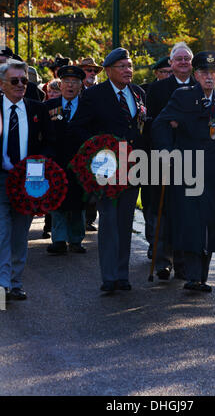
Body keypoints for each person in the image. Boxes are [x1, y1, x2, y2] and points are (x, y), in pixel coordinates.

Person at [151, 50, 215, 292]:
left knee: (210, 224)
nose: (208, 77)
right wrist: (169, 151)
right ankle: (194, 277)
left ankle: (201, 276)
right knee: (192, 223)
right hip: (188, 171)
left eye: (213, 73)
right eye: (204, 72)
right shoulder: (182, 97)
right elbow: (160, 123)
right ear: (196, 75)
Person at [68, 47, 146, 293]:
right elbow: (77, 127)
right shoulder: (94, 95)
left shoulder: (139, 93)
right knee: (109, 222)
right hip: (106, 169)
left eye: (130, 65)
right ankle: (109, 277)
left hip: (133, 169)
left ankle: (123, 275)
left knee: (125, 223)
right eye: (122, 66)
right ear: (109, 70)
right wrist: (99, 147)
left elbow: (142, 128)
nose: (128, 70)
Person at [0, 59, 54, 301]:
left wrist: (39, 166)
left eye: (24, 80)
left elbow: (48, 143)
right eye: (15, 81)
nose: (21, 85)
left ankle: (15, 282)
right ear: (2, 84)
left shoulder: (37, 110)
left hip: (26, 181)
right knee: (2, 233)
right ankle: (3, 285)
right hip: (0, 180)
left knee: (21, 234)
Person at [146, 42, 196, 280]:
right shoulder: (157, 90)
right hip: (162, 159)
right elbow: (154, 123)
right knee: (162, 212)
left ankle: (183, 262)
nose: (184, 62)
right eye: (179, 59)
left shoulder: (201, 87)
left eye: (187, 58)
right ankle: (162, 262)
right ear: (171, 63)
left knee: (186, 214)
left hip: (192, 160)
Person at [46, 65, 87, 255]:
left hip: (80, 163)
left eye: (75, 82)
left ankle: (76, 239)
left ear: (80, 85)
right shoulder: (49, 107)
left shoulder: (88, 106)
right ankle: (59, 239)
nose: (70, 86)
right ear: (60, 85)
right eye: (67, 82)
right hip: (56, 161)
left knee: (78, 202)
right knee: (57, 200)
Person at [78, 57, 103, 232]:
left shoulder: (102, 92)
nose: (92, 74)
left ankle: (89, 218)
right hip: (80, 142)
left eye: (94, 71)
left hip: (99, 144)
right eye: (88, 70)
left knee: (96, 184)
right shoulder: (75, 91)